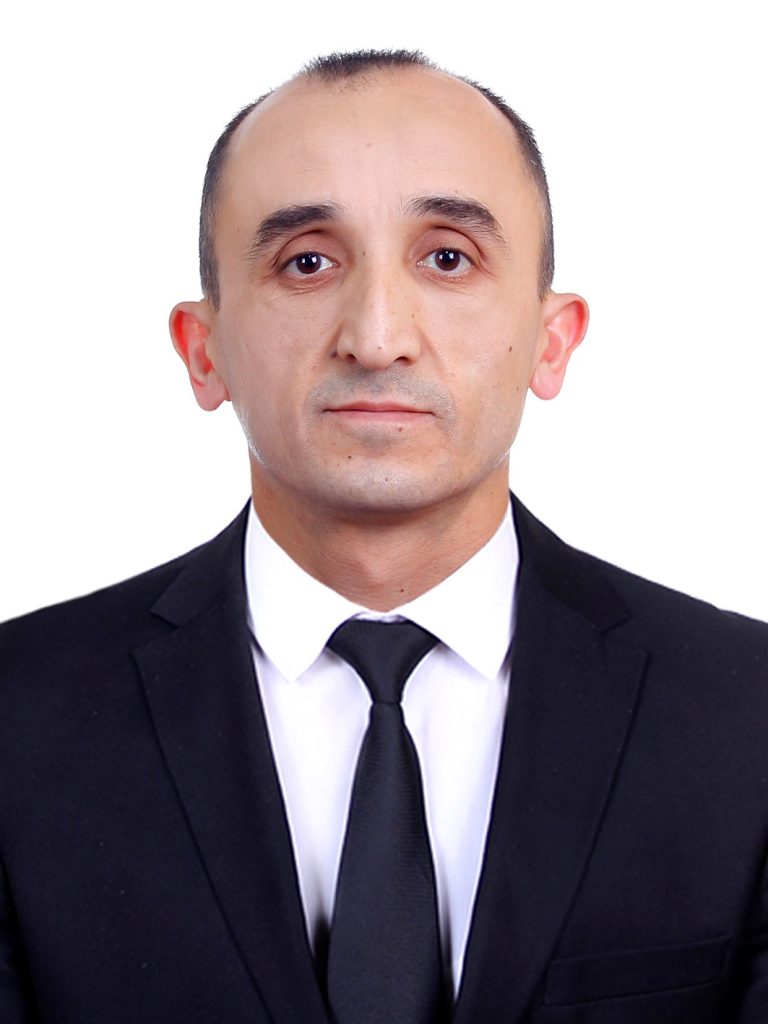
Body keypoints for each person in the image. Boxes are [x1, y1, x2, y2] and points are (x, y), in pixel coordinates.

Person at [1, 48, 767, 1024]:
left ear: (552, 340)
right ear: (204, 351)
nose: (376, 335)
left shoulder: (746, 717)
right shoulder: (17, 719)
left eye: (448, 257)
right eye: (306, 262)